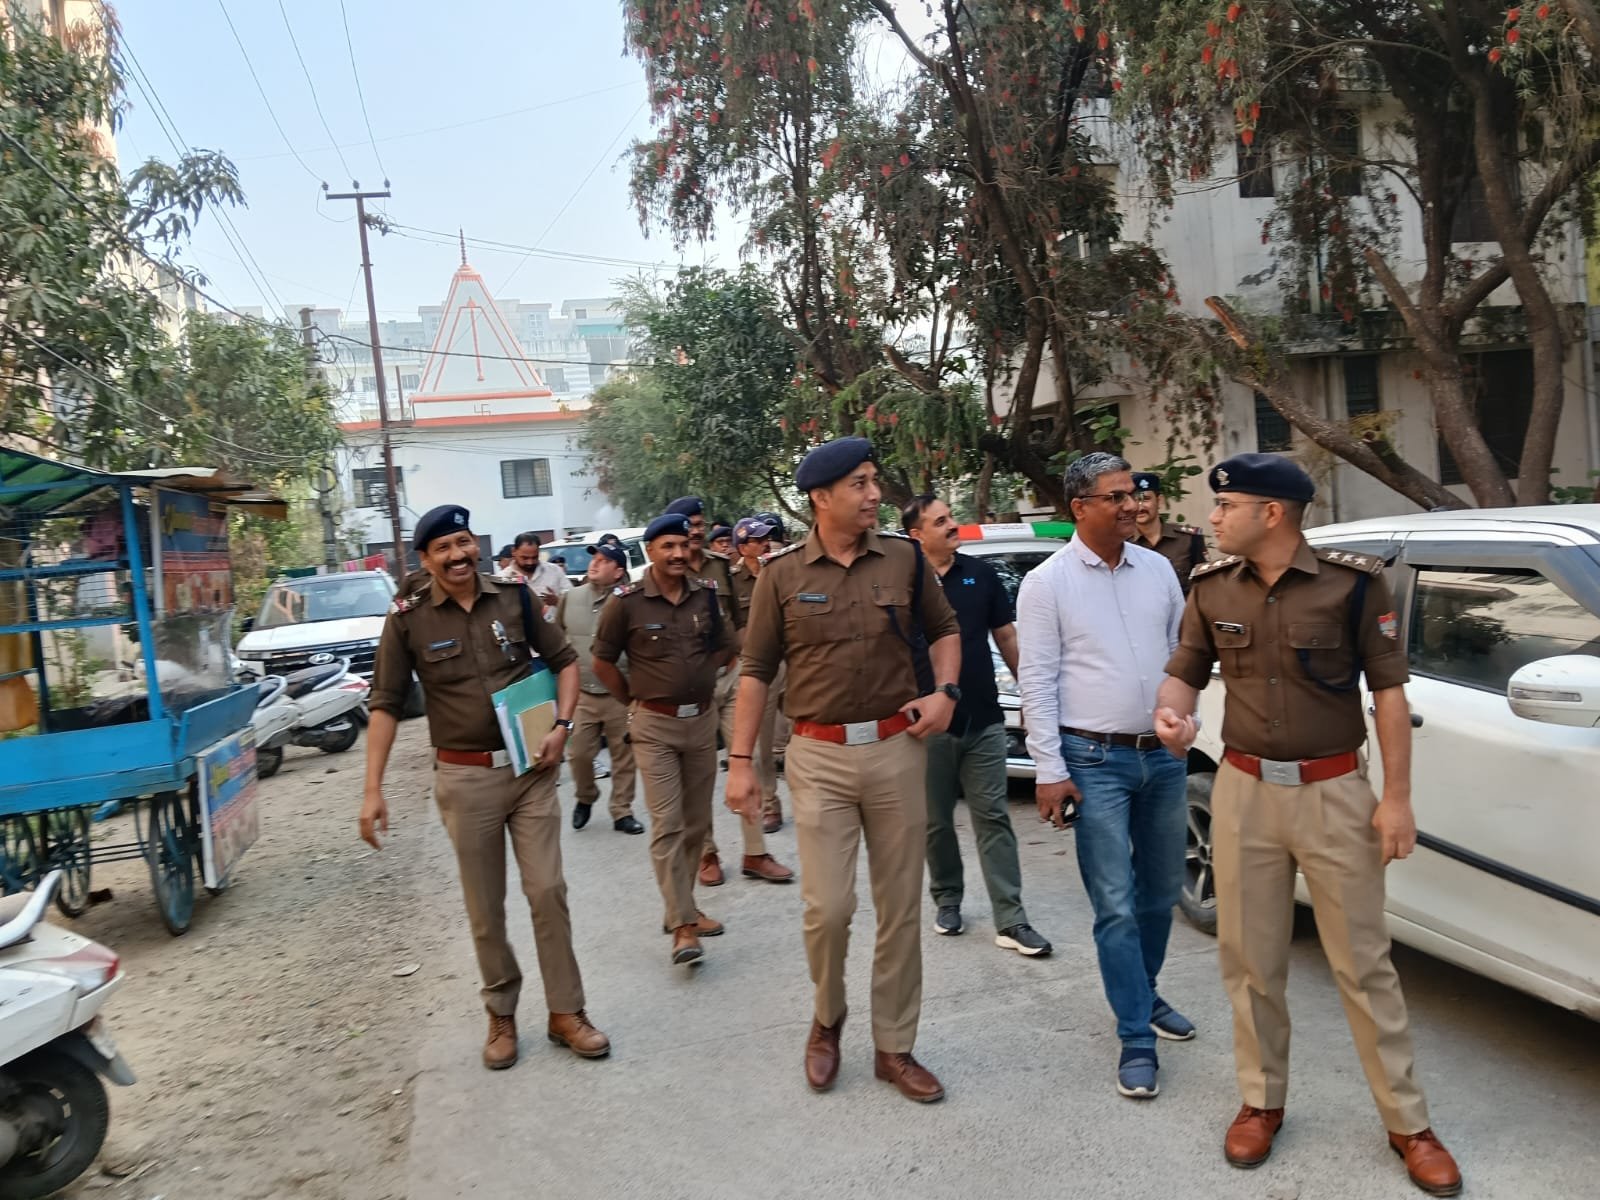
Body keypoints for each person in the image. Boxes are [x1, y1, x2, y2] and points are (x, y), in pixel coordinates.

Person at [1153, 453, 1461, 1195]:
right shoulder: (1210, 587)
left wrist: (1396, 799)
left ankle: (1408, 1123)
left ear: (1272, 514)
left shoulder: (1352, 585)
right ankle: (1261, 1102)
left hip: (1333, 793)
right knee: (1250, 960)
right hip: (1243, 793)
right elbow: (1184, 671)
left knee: (1363, 963)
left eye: (1227, 506)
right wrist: (1171, 716)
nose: (1213, 518)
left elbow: (1389, 694)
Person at [726, 437, 962, 1104]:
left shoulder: (905, 558)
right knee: (828, 909)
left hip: (896, 749)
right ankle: (827, 1018)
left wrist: (945, 692)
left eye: (873, 481)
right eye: (859, 484)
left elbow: (945, 630)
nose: (874, 494)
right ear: (821, 497)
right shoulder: (780, 575)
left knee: (900, 907)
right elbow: (756, 671)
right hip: (819, 756)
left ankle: (895, 1046)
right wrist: (740, 764)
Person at [359, 504, 609, 1070]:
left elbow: (565, 661)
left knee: (547, 890)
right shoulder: (408, 618)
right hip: (465, 778)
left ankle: (566, 1012)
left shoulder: (513, 596)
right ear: (426, 560)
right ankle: (501, 1011)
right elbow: (385, 704)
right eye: (444, 548)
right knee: (485, 907)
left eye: (464, 543)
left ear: (477, 546)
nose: (458, 556)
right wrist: (373, 788)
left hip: (531, 770)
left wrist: (563, 726)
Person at [1016, 452, 1193, 1101]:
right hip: (1094, 762)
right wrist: (1049, 770)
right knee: (1115, 904)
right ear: (1079, 507)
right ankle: (1136, 1036)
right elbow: (1036, 681)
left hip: (1163, 758)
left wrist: (1187, 722)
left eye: (1134, 493)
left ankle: (1144, 993)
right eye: (1116, 496)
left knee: (1160, 892)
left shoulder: (1158, 570)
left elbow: (1182, 657)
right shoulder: (1047, 584)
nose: (1132, 505)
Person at [902, 495, 1051, 957]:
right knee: (936, 822)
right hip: (926, 727)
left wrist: (1032, 696)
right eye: (941, 521)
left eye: (951, 517)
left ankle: (1011, 918)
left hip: (983, 718)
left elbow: (1005, 636)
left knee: (993, 817)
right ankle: (947, 899)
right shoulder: (903, 585)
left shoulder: (980, 574)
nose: (953, 525)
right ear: (916, 535)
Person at [592, 512, 735, 966]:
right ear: (649, 551)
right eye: (667, 546)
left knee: (696, 823)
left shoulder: (706, 595)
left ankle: (682, 906)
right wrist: (632, 699)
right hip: (654, 726)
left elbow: (726, 646)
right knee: (668, 824)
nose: (677, 553)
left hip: (701, 724)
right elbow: (602, 662)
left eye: (683, 545)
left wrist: (702, 679)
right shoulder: (626, 602)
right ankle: (683, 928)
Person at [664, 496, 791, 886]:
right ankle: (707, 853)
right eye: (689, 524)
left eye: (700, 523)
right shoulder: (659, 575)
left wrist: (741, 660)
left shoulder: (721, 567)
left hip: (729, 678)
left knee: (746, 759)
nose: (696, 530)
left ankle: (756, 852)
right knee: (697, 775)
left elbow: (738, 619)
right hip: (689, 688)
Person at [555, 542, 643, 835]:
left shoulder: (630, 602)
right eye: (594, 558)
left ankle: (622, 811)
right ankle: (586, 796)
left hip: (620, 693)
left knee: (624, 757)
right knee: (578, 754)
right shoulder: (570, 597)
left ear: (618, 572)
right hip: (582, 694)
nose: (594, 563)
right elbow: (557, 639)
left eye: (604, 560)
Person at [727, 516, 788, 834]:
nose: (766, 544)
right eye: (758, 540)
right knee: (763, 745)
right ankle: (770, 805)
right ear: (743, 548)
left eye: (767, 538)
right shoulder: (732, 582)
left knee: (807, 732)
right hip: (761, 669)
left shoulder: (780, 570)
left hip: (793, 661)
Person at [1130, 471, 1208, 594]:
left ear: (1159, 501)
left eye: (1146, 499)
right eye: (1134, 500)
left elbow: (1206, 585)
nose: (1140, 507)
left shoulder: (1188, 539)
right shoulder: (1122, 544)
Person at [502, 532, 572, 606]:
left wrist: (557, 601)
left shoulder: (554, 571)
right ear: (514, 552)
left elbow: (572, 600)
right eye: (525, 558)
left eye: (534, 557)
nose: (530, 562)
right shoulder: (503, 578)